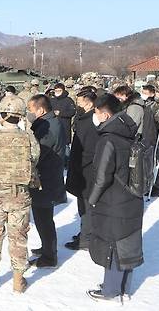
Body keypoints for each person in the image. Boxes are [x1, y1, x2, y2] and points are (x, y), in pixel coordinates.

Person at [0, 95, 40, 293]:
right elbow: (34, 160)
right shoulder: (30, 138)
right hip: (20, 195)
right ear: (20, 117)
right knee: (19, 237)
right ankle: (18, 281)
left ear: (1, 115)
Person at [87, 93, 143, 303]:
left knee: (113, 245)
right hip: (132, 198)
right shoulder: (130, 133)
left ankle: (110, 290)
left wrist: (92, 199)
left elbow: (102, 177)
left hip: (113, 202)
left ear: (105, 114)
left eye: (96, 112)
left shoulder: (108, 139)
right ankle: (125, 289)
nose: (95, 117)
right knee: (127, 242)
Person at [26, 94, 66, 268]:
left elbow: (40, 153)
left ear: (41, 110)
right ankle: (46, 248)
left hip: (46, 179)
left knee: (44, 219)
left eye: (31, 110)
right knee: (42, 218)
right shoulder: (47, 123)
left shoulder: (48, 127)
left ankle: (50, 257)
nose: (30, 114)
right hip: (45, 177)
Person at [65, 89, 99, 251]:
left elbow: (90, 149)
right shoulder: (84, 118)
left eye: (80, 101)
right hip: (82, 168)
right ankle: (85, 232)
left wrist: (79, 165)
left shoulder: (91, 121)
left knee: (86, 206)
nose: (77, 104)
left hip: (86, 170)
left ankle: (86, 238)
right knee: (83, 204)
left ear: (89, 102)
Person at [49, 83, 76, 153]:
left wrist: (60, 113)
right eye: (56, 91)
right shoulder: (52, 100)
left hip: (64, 127)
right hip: (53, 128)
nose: (57, 92)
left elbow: (72, 112)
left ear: (63, 91)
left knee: (65, 149)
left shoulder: (68, 100)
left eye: (59, 91)